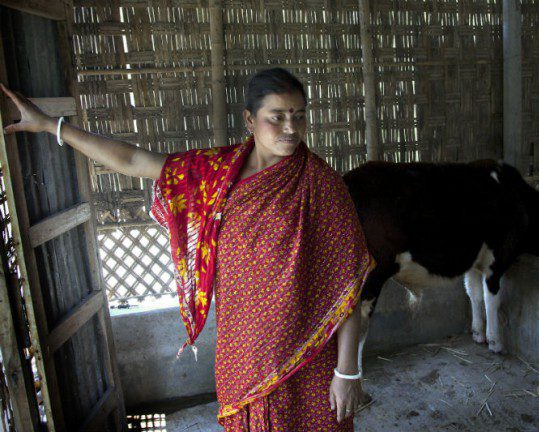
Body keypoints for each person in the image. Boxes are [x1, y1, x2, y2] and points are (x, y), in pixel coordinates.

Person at [1, 67, 374, 431]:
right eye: (276, 117)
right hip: (242, 350)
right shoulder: (216, 174)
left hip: (308, 354)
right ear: (250, 119)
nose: (291, 128)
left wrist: (347, 371)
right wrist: (53, 125)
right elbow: (133, 160)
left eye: (299, 116)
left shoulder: (321, 185)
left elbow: (347, 287)